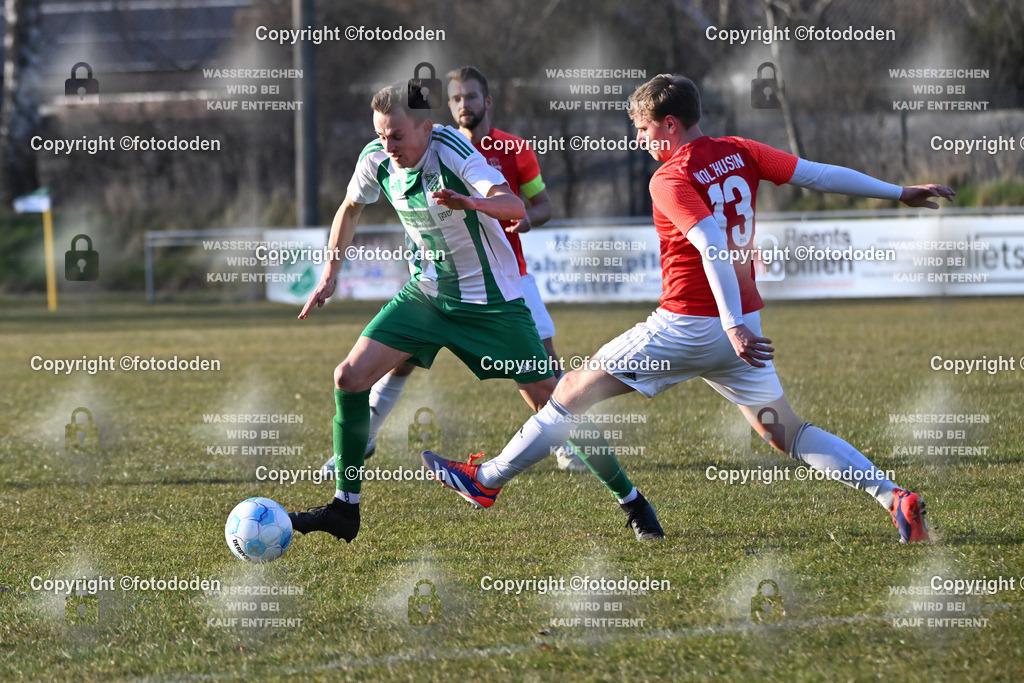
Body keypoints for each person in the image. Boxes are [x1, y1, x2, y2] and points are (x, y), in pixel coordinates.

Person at [425, 73, 954, 543]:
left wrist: (726, 325)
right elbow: (815, 174)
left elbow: (710, 245)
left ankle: (487, 480)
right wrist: (898, 191)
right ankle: (894, 499)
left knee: (567, 392)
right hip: (741, 325)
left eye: (642, 130)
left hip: (690, 327)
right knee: (785, 431)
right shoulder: (740, 149)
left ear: (670, 125)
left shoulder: (670, 177)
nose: (639, 141)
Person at [290, 82, 662, 543]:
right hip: (427, 297)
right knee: (348, 377)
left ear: (426, 128)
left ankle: (634, 503)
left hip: (493, 305)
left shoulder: (454, 153)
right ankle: (344, 509)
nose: (389, 147)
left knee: (556, 402)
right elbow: (349, 208)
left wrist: (472, 202)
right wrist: (331, 271)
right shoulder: (376, 159)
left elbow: (512, 204)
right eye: (382, 136)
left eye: (398, 136)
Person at [321, 65, 587, 472]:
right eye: (457, 98)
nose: (465, 104)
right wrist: (330, 273)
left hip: (503, 280)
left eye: (472, 97)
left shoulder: (506, 149)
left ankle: (580, 452)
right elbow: (351, 207)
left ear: (487, 102)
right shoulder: (396, 152)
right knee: (386, 364)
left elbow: (532, 204)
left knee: (541, 369)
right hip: (431, 288)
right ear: (448, 106)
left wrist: (507, 212)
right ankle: (360, 447)